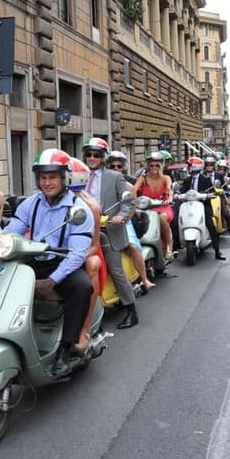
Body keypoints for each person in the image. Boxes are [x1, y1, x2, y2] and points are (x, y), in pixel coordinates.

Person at [2, 148, 95, 376]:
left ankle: (65, 348)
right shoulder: (30, 204)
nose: (47, 183)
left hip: (62, 264)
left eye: (53, 177)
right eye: (43, 177)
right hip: (34, 261)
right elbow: (12, 231)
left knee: (82, 287)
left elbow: (77, 254)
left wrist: (52, 280)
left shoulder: (79, 210)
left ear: (65, 178)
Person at [82, 138, 139, 330]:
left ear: (102, 157)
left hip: (108, 229)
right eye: (88, 154)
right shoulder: (78, 175)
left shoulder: (114, 177)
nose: (91, 158)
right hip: (83, 230)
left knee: (116, 270)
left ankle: (131, 311)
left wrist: (120, 217)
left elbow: (128, 201)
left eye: (96, 155)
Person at [67, 156, 104, 353]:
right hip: (56, 254)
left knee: (92, 264)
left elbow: (94, 244)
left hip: (83, 253)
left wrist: (73, 257)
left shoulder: (91, 206)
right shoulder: (45, 201)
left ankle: (85, 328)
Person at [105, 151, 156, 292]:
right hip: (102, 222)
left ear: (123, 168)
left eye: (118, 166)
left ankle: (144, 279)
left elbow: (132, 207)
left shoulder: (128, 186)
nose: (116, 169)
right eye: (112, 166)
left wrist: (123, 219)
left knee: (132, 246)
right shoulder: (101, 184)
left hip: (122, 222)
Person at [180, 156, 226, 261]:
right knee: (175, 219)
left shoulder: (205, 179)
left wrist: (209, 195)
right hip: (189, 205)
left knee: (210, 224)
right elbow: (182, 190)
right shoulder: (187, 180)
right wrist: (176, 194)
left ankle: (217, 251)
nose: (188, 167)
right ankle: (175, 247)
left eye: (189, 165)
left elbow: (212, 190)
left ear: (195, 166)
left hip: (202, 204)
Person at [133, 151, 174, 262]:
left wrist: (169, 199)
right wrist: (133, 200)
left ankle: (169, 245)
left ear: (161, 166)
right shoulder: (143, 178)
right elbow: (134, 190)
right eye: (151, 165)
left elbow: (170, 190)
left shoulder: (166, 178)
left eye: (157, 165)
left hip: (163, 206)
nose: (154, 168)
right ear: (148, 166)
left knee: (162, 218)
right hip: (146, 208)